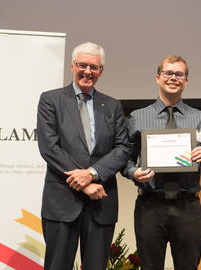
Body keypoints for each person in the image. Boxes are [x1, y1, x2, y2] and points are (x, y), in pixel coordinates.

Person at [122, 54, 201, 270]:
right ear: (158, 78)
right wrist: (134, 173)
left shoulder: (199, 117)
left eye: (179, 74)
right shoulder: (138, 117)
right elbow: (126, 160)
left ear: (186, 80)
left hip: (188, 206)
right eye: (168, 73)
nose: (173, 78)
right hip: (150, 206)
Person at [37, 42, 130, 270]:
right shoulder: (51, 100)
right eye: (82, 65)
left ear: (101, 71)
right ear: (72, 66)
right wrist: (83, 184)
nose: (88, 71)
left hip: (101, 202)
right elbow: (49, 147)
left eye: (94, 67)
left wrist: (91, 174)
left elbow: (122, 148)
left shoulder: (112, 105)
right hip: (62, 201)